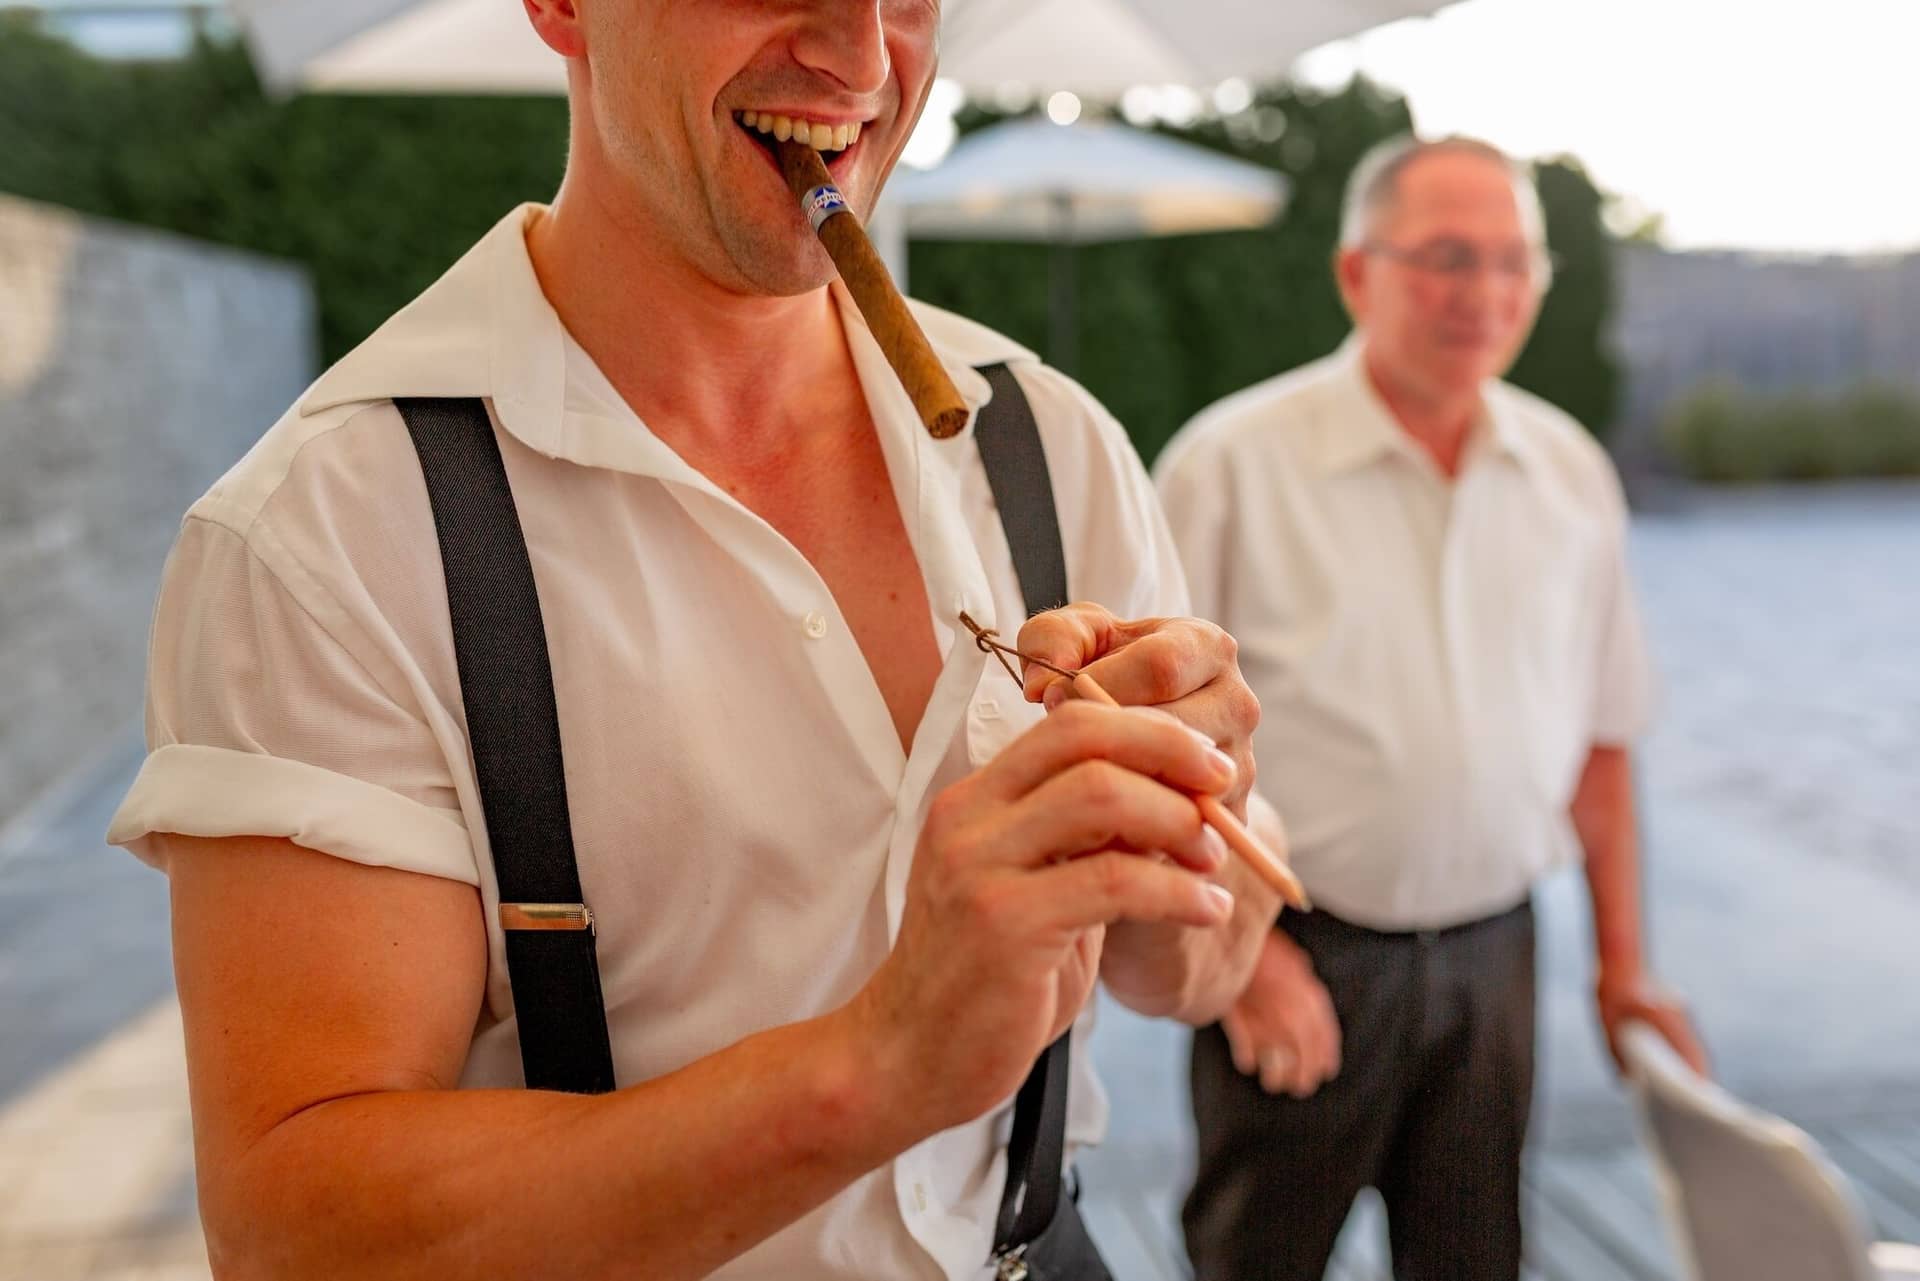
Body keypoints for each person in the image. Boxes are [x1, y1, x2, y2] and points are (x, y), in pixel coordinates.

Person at [103, 3, 1287, 1277]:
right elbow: (298, 1235)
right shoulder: (328, 535)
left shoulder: (1050, 444)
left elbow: (1202, 968)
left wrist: (1171, 867)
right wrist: (874, 1067)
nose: (862, 55)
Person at [1154, 135, 1709, 1281]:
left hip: (1497, 960)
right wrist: (1243, 960)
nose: (1485, 295)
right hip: (1296, 948)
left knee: (1474, 1261)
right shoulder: (1229, 465)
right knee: (1256, 1260)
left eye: (1514, 262)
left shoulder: (1568, 472)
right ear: (1357, 274)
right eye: (1448, 258)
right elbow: (1147, 751)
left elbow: (1604, 742)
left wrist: (1624, 967)